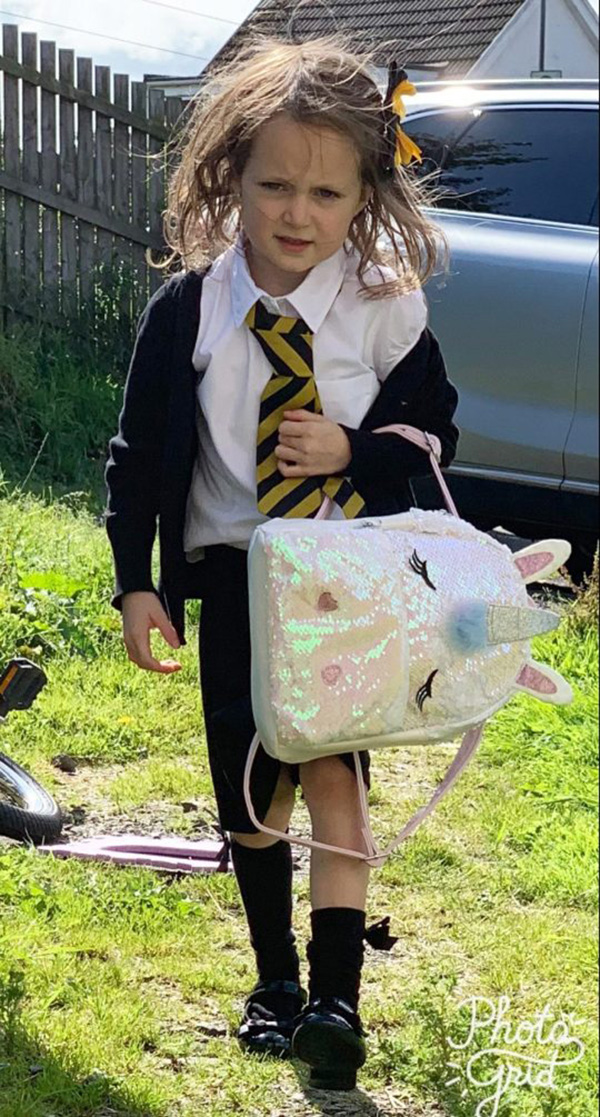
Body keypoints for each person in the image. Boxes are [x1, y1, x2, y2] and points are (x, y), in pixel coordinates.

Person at [105, 34, 459, 1093]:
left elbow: (438, 439)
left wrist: (354, 448)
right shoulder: (194, 311)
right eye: (272, 186)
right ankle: (275, 985)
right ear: (231, 179)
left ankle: (338, 997)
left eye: (323, 191)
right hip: (232, 577)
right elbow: (137, 454)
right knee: (251, 791)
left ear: (363, 198)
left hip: (344, 590)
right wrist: (139, 581)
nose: (295, 213)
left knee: (336, 776)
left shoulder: (385, 308)